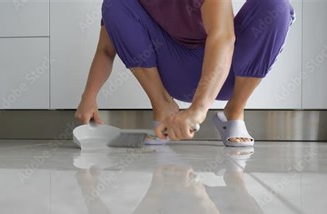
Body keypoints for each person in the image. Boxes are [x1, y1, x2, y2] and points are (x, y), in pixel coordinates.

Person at [75, 0, 295, 147]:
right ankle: (163, 108)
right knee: (115, 4)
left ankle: (234, 113)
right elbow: (106, 49)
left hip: (228, 71)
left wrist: (198, 110)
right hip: (174, 69)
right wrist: (89, 96)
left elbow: (223, 37)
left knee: (276, 5)